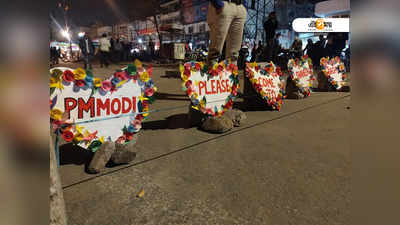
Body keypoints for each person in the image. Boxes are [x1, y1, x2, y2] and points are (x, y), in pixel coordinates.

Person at [207, 0, 247, 66]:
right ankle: (211, 74)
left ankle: (231, 74)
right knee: (215, 51)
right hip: (224, 4)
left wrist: (243, 5)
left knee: (234, 54)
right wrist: (217, 3)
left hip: (239, 6)